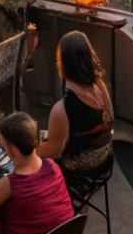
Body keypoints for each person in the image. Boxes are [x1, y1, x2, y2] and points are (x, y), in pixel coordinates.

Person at [40, 31, 114, 196]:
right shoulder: (99, 86)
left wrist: (28, 149)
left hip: (78, 170)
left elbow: (54, 151)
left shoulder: (62, 108)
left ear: (63, 62)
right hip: (104, 162)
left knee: (28, 162)